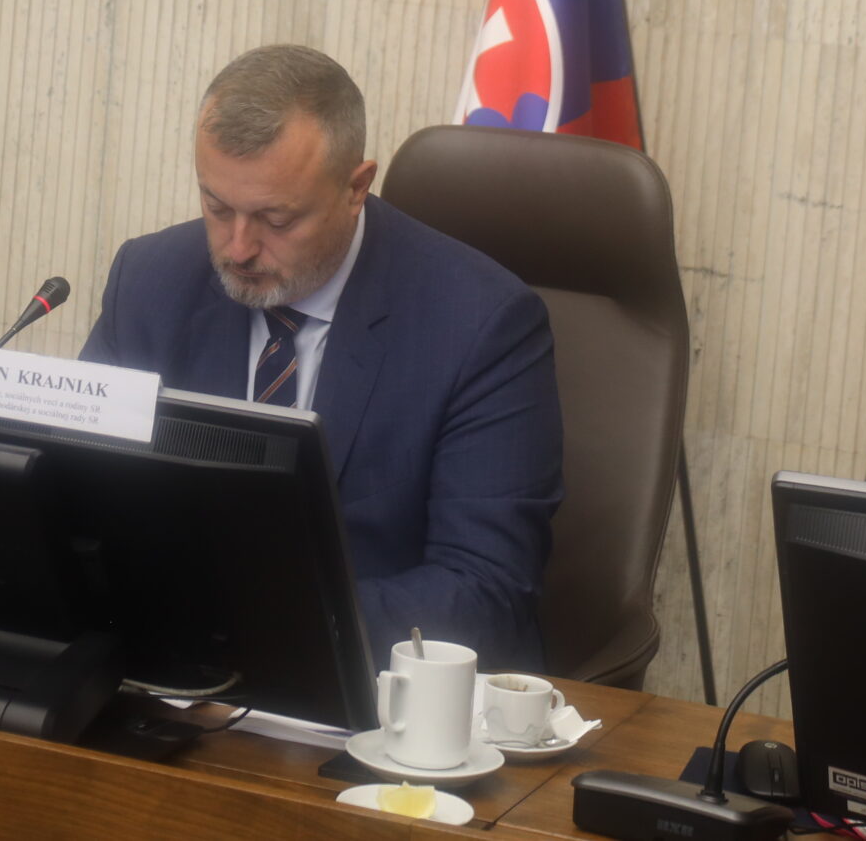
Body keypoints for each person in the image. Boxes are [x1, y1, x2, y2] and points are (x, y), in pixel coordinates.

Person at [81, 44, 563, 671]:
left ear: (356, 188)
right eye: (217, 207)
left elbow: (485, 589)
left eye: (276, 219)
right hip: (167, 668)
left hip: (369, 685)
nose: (237, 248)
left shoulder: (481, 323)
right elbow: (78, 487)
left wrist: (252, 623)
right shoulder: (151, 280)